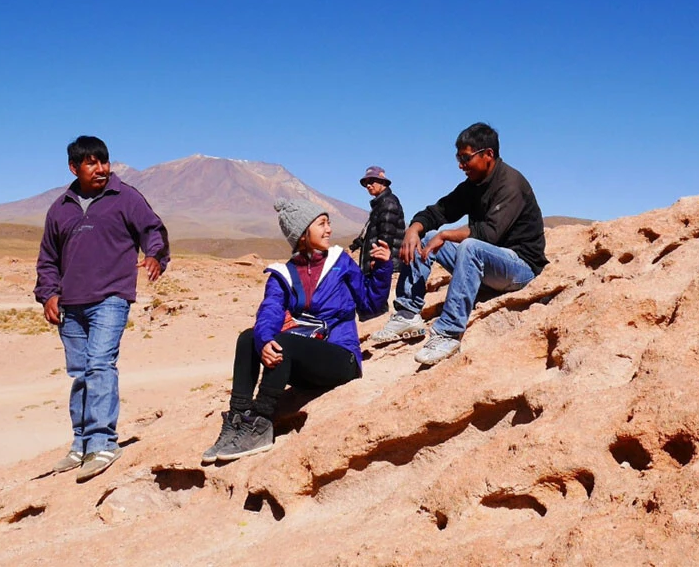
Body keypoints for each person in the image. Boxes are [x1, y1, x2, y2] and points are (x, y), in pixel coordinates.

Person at [201, 198, 393, 463]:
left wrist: (382, 269)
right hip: (304, 366)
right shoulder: (284, 274)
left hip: (341, 359)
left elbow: (370, 305)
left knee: (284, 342)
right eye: (322, 224)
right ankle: (237, 418)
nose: (329, 230)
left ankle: (262, 421)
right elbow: (269, 312)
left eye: (329, 223)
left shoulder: (341, 262)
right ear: (303, 234)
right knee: (248, 338)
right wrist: (263, 342)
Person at [34, 135, 169, 481]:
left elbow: (153, 229)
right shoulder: (60, 208)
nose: (101, 169)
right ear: (73, 167)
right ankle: (81, 443)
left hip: (111, 297)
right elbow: (48, 258)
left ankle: (103, 443)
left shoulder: (125, 197)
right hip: (71, 305)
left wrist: (154, 255)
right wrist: (48, 294)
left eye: (104, 161)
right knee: (80, 373)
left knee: (99, 365)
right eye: (91, 162)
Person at [371, 122, 548, 366]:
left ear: (488, 155)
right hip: (489, 265)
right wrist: (414, 228)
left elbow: (489, 233)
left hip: (520, 267)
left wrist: (444, 236)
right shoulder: (473, 186)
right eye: (458, 158)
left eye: (465, 158)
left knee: (469, 245)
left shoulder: (511, 184)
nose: (460, 165)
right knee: (424, 238)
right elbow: (439, 211)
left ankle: (449, 333)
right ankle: (407, 313)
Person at [349, 166, 405, 309]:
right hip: (380, 265)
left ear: (383, 182)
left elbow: (386, 235)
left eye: (372, 181)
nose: (368, 185)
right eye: (365, 183)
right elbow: (372, 233)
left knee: (379, 305)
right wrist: (355, 246)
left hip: (385, 266)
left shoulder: (388, 203)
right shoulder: (380, 204)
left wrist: (379, 261)